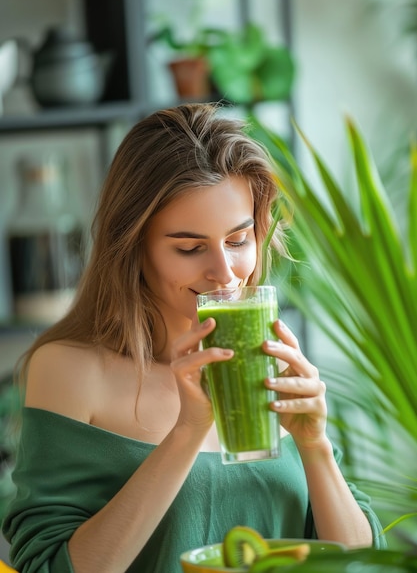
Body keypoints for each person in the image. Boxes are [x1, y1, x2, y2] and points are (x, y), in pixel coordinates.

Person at [2, 103, 385, 573]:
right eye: (189, 247)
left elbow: (361, 563)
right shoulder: (71, 370)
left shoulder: (272, 365)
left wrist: (315, 445)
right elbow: (49, 568)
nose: (224, 273)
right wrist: (187, 431)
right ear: (133, 246)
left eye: (238, 240)